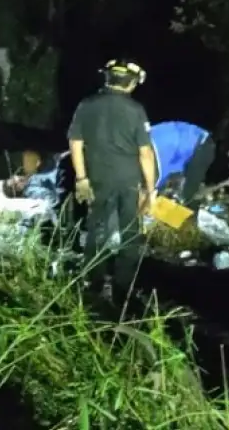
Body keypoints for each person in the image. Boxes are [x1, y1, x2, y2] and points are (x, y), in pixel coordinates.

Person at [68, 59, 157, 299]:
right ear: (131, 83)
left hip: (96, 177)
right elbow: (145, 153)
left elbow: (75, 143)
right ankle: (122, 286)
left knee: (96, 227)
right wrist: (151, 189)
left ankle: (93, 281)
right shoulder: (136, 110)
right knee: (129, 231)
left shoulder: (86, 104)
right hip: (128, 180)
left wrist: (81, 178)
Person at [149, 121, 216, 207]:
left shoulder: (157, 150)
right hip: (181, 147)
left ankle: (186, 214)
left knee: (186, 194)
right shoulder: (144, 140)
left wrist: (151, 193)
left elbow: (158, 177)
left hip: (202, 147)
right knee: (163, 189)